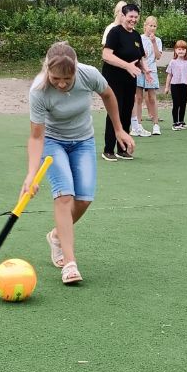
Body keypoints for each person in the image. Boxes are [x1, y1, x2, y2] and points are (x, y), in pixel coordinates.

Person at [24, 41, 135, 285]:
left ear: (76, 69)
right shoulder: (38, 90)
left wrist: (119, 129)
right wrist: (31, 174)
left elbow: (108, 95)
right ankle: (70, 263)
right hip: (53, 142)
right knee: (64, 196)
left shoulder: (89, 74)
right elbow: (36, 136)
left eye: (67, 79)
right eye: (56, 79)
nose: (62, 84)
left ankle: (56, 236)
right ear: (47, 70)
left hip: (83, 140)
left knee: (84, 199)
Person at [100, 2, 146, 161]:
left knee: (127, 111)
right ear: (123, 16)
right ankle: (108, 149)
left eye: (136, 17)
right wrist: (127, 66)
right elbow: (106, 55)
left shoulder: (136, 35)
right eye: (130, 16)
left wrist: (145, 70)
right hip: (113, 79)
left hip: (130, 79)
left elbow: (139, 57)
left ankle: (123, 149)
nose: (133, 20)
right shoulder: (115, 32)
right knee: (115, 111)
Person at [133, 15, 163, 137]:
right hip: (139, 70)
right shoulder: (138, 38)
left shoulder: (158, 40)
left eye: (154, 26)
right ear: (145, 26)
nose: (152, 28)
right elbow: (137, 54)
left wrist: (153, 42)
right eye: (150, 25)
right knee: (138, 97)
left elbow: (158, 56)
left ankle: (156, 124)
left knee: (152, 97)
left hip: (152, 71)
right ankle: (138, 124)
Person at [163, 40, 187, 130]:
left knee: (183, 104)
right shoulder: (173, 62)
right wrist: (166, 87)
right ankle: (175, 122)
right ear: (175, 50)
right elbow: (169, 75)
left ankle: (181, 121)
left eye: (183, 49)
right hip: (175, 85)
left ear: (186, 51)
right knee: (176, 104)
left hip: (184, 85)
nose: (181, 51)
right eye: (179, 49)